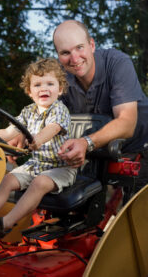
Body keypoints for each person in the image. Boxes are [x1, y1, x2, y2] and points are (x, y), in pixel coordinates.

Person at [0, 58, 77, 239]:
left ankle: (5, 224)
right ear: (30, 92)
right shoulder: (28, 111)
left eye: (50, 83)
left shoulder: (59, 110)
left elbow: (52, 128)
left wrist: (37, 139)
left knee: (40, 183)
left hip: (61, 167)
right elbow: (9, 132)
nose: (44, 88)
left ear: (60, 89)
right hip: (36, 165)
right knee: (7, 181)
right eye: (37, 84)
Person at [53, 20, 148, 193]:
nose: (74, 59)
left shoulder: (118, 63)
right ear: (58, 55)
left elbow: (127, 123)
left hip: (140, 147)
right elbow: (50, 118)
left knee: (133, 213)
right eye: (65, 52)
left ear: (92, 45)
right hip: (98, 150)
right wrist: (24, 136)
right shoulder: (59, 76)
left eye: (79, 47)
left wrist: (86, 142)